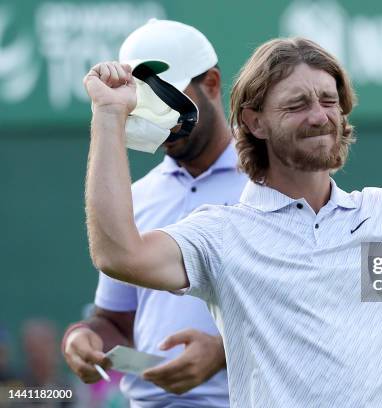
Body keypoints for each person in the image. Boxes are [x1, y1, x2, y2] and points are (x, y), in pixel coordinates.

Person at [82, 37, 382, 407]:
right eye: (297, 104)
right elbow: (119, 254)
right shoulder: (221, 235)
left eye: (329, 101)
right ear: (254, 121)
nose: (320, 116)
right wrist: (108, 114)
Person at [62, 19, 247, 407]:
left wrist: (224, 351)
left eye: (170, 96)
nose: (159, 115)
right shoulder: (137, 196)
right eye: (146, 100)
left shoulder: (269, 184)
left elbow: (313, 308)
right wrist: (84, 337)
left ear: (211, 84)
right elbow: (116, 320)